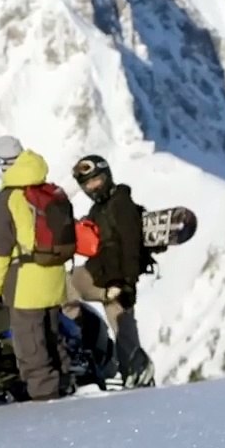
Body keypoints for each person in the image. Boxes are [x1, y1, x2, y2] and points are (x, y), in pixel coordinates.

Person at [0, 147, 72, 402]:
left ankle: (44, 395)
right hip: (54, 276)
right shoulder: (48, 190)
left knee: (30, 342)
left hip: (26, 281)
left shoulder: (8, 198)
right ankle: (65, 382)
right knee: (52, 335)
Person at [65, 154, 156, 388]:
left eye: (96, 180)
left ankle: (136, 373)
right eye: (87, 184)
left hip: (116, 279)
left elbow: (130, 245)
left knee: (122, 325)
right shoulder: (99, 207)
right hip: (101, 275)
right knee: (65, 288)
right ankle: (130, 372)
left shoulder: (121, 204)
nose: (93, 187)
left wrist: (127, 282)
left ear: (107, 176)